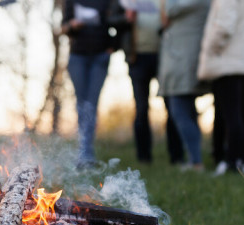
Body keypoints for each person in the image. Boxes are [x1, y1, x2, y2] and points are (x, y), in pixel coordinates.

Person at [198, 0, 244, 175]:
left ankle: (230, 161)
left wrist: (211, 50)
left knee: (229, 114)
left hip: (227, 59)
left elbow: (223, 28)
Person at [116, 0, 186, 165]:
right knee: (141, 109)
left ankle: (176, 156)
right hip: (137, 58)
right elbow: (111, 20)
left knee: (172, 106)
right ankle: (144, 157)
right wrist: (127, 18)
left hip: (165, 57)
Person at [63, 0, 123, 167]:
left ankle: (87, 153)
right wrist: (73, 25)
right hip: (77, 58)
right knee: (82, 105)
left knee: (91, 104)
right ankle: (83, 152)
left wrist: (112, 46)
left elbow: (120, 23)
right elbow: (64, 27)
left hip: (100, 57)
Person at [158, 0, 211, 171]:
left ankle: (196, 162)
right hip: (183, 61)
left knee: (179, 111)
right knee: (186, 111)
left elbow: (169, 9)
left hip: (184, 62)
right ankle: (195, 159)